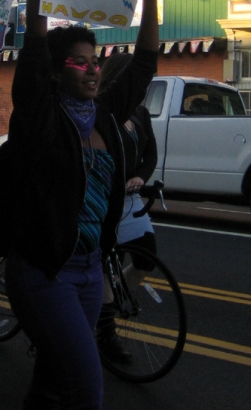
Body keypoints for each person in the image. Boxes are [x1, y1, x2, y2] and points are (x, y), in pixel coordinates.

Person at [3, 0, 164, 410]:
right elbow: (34, 42)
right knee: (87, 389)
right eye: (79, 62)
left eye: (96, 62)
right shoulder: (41, 117)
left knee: (53, 381)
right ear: (56, 72)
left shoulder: (106, 117)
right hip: (43, 271)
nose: (93, 70)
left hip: (91, 272)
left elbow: (144, 64)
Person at [95, 53, 158, 360]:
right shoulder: (103, 112)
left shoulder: (141, 114)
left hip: (129, 198)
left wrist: (140, 176)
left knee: (147, 257)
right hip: (104, 199)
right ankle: (106, 334)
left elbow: (151, 154)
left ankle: (106, 299)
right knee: (107, 261)